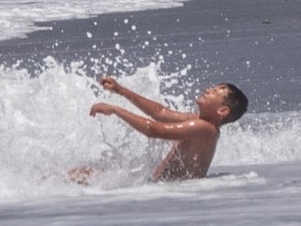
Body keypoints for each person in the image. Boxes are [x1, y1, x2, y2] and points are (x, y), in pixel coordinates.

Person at [86, 76, 248, 181]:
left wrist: (116, 110)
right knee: (86, 174)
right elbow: (160, 113)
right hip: (163, 187)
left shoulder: (204, 128)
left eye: (214, 92)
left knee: (86, 177)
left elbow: (153, 130)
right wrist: (120, 91)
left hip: (173, 190)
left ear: (222, 110)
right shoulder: (199, 121)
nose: (207, 90)